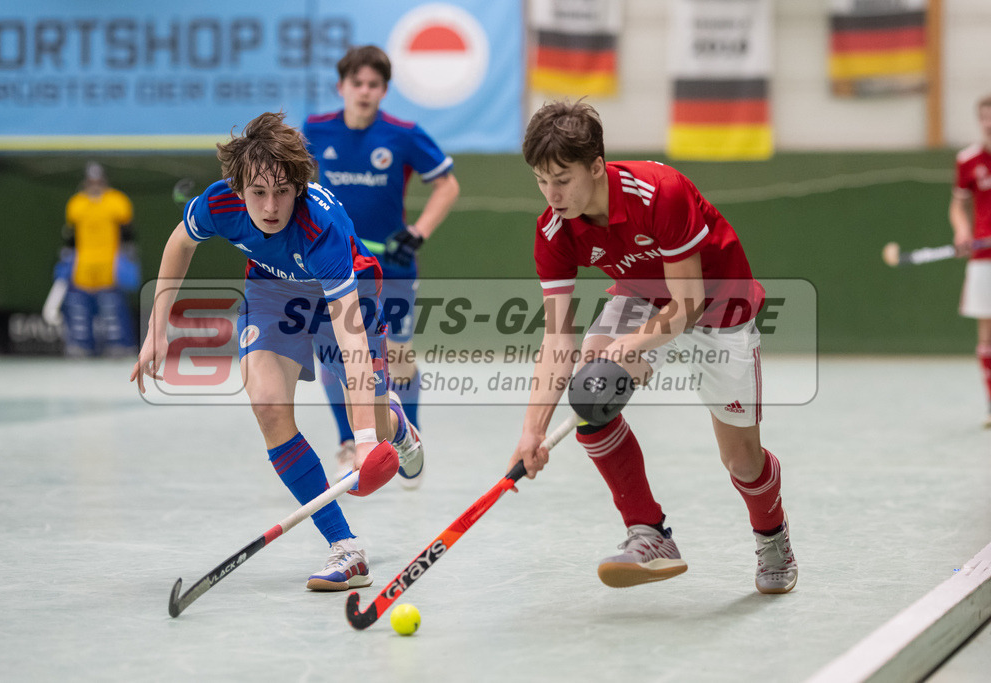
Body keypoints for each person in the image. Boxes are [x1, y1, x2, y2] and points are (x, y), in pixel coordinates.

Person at [508, 101, 798, 594]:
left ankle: (772, 538)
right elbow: (557, 337)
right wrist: (530, 431)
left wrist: (632, 346)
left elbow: (686, 305)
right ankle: (649, 531)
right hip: (643, 295)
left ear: (596, 165)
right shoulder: (553, 230)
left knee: (742, 461)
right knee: (591, 393)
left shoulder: (660, 192)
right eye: (541, 180)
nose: (551, 195)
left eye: (562, 179)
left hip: (718, 302)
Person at [129, 112, 423, 591]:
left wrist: (366, 437)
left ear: (299, 187)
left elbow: (350, 337)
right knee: (267, 404)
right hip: (273, 292)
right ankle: (345, 549)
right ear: (239, 187)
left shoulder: (320, 227)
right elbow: (180, 243)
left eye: (282, 192)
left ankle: (396, 425)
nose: (269, 206)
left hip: (349, 298)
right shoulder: (219, 204)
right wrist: (157, 326)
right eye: (258, 193)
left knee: (365, 411)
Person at [303, 45, 459, 480]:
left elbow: (447, 186)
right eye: (357, 84)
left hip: (391, 267)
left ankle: (409, 435)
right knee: (333, 355)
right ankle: (350, 442)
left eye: (374, 84)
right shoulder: (315, 130)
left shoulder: (403, 133)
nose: (365, 92)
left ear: (384, 90)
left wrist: (419, 231)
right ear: (342, 87)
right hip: (333, 265)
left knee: (396, 355)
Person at [43, 162, 140, 357]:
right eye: (91, 181)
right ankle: (80, 345)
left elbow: (128, 235)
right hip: (82, 269)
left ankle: (120, 345)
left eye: (98, 180)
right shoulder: (76, 203)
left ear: (104, 180)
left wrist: (127, 261)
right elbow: (70, 238)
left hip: (109, 268)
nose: (95, 184)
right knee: (78, 310)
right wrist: (67, 259)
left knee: (112, 309)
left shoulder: (117, 201)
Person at [949, 93, 991, 428]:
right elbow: (958, 205)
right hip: (982, 259)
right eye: (985, 117)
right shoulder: (968, 160)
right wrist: (962, 231)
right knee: (986, 335)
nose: (989, 123)